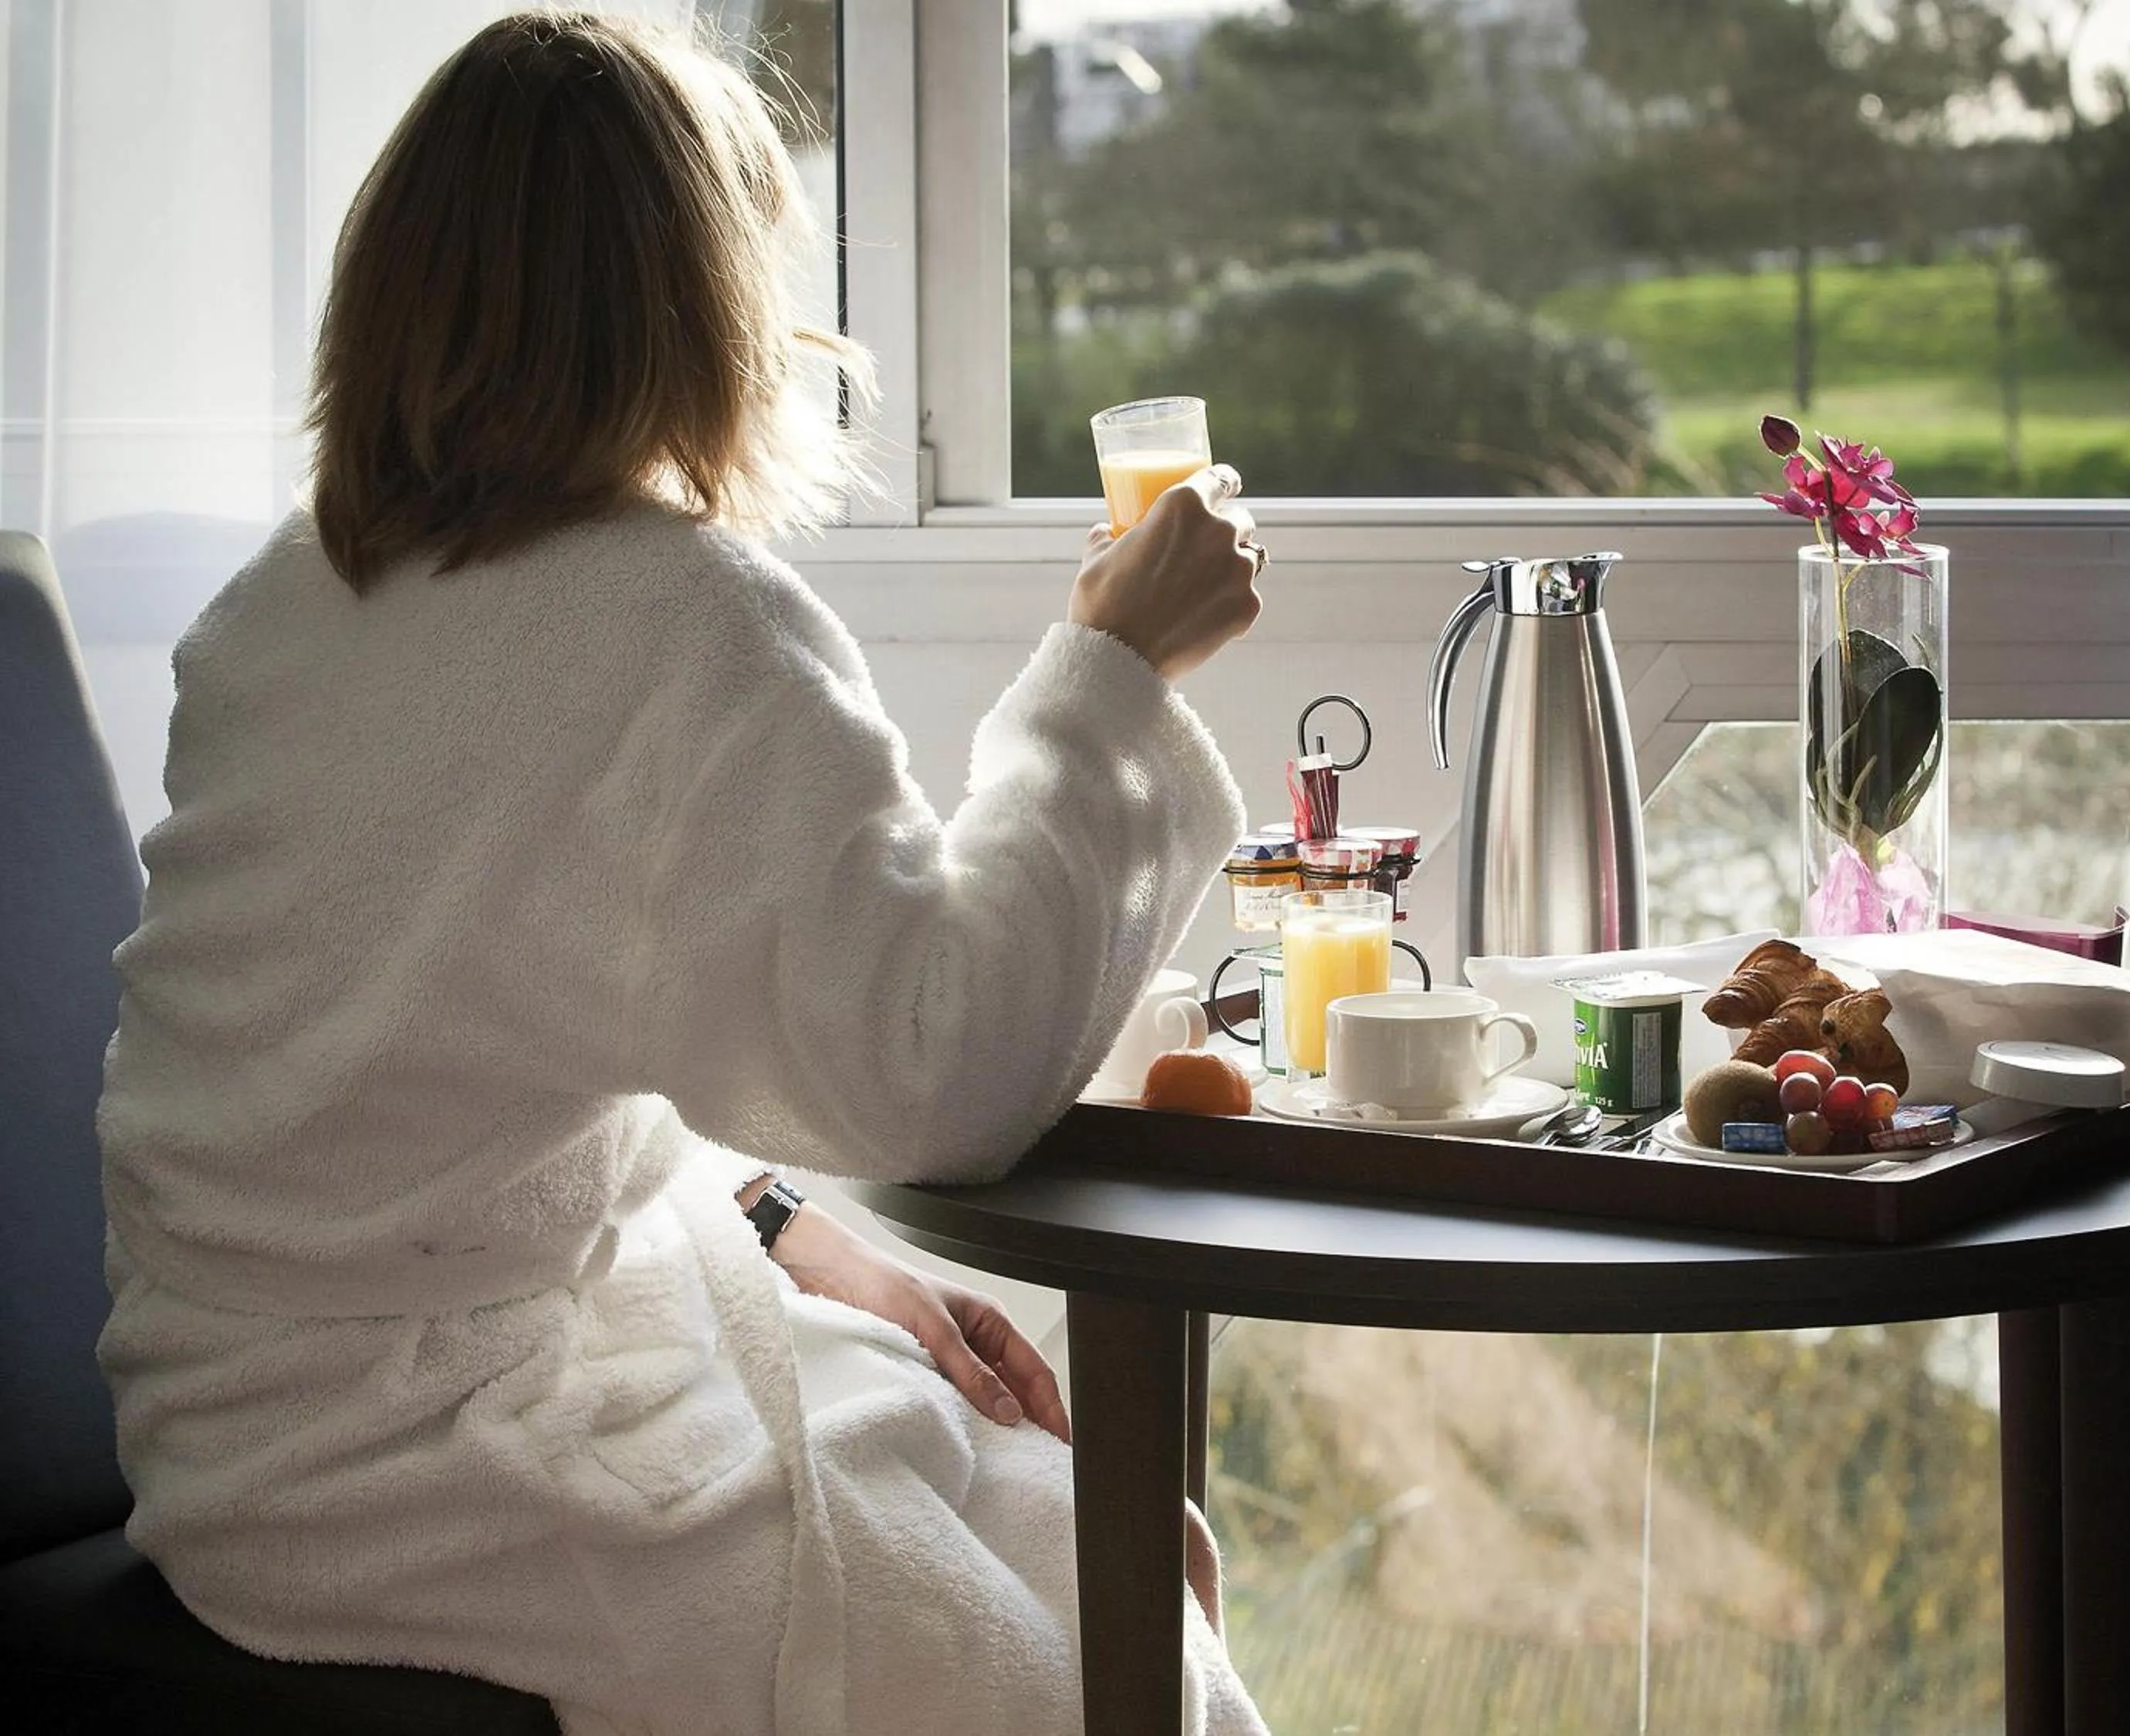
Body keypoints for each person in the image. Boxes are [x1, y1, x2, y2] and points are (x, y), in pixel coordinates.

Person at [94, 12, 1267, 1735]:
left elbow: (459, 1068)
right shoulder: (676, 622)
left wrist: (800, 1234)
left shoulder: (285, 606)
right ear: (697, 308)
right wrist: (1115, 671)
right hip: (417, 1475)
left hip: (229, 1435)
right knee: (1080, 1634)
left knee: (1086, 1523)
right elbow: (933, 1067)